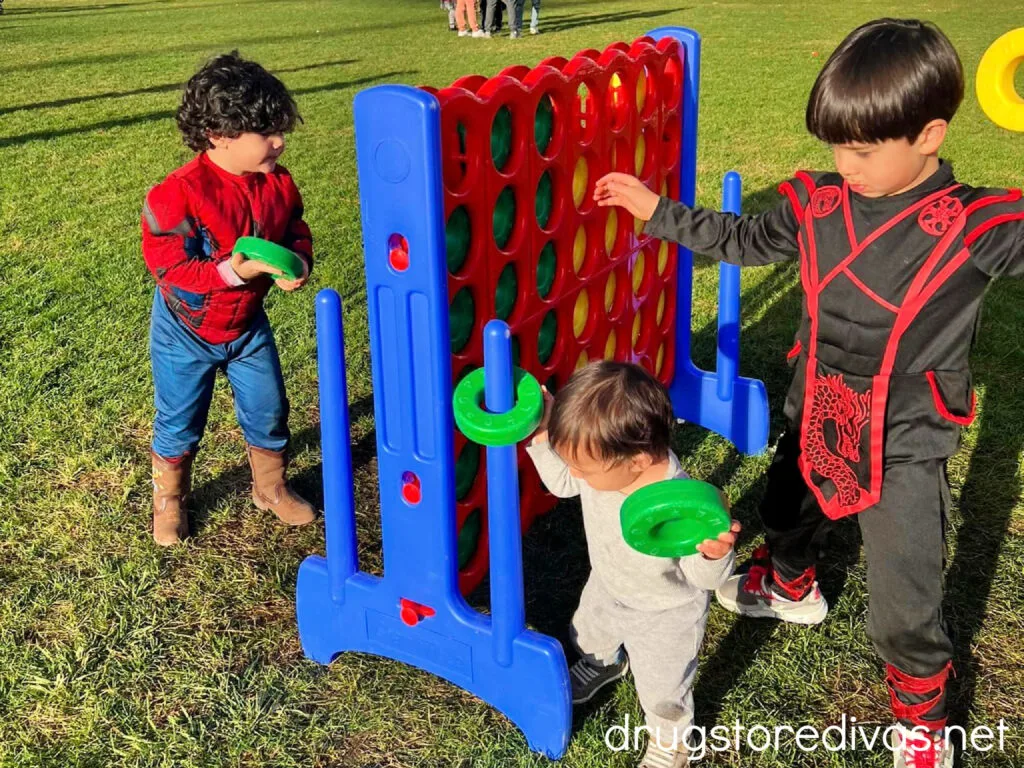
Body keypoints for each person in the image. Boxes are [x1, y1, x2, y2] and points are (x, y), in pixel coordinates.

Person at [594, 18, 1024, 768]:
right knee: (783, 508)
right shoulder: (816, 203)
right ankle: (792, 585)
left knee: (905, 597)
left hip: (906, 441)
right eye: (836, 145)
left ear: (929, 134)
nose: (844, 164)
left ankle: (922, 719)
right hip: (817, 411)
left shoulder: (977, 224)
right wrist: (656, 213)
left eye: (862, 150)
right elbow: (741, 239)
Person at [526, 362, 740, 767]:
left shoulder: (680, 504)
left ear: (638, 461)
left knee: (663, 687)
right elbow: (563, 482)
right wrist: (540, 435)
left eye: (582, 466)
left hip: (665, 613)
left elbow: (702, 580)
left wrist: (714, 553)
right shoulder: (603, 466)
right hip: (608, 583)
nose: (575, 474)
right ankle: (603, 663)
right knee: (587, 634)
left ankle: (671, 741)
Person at [142, 51, 317, 546]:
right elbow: (171, 269)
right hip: (187, 330)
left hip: (246, 327)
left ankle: (270, 487)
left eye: (281, 128)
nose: (280, 141)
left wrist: (296, 262)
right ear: (218, 135)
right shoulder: (175, 194)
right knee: (180, 422)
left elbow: (295, 228)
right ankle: (169, 500)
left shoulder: (278, 183)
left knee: (269, 407)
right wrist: (233, 272)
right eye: (266, 132)